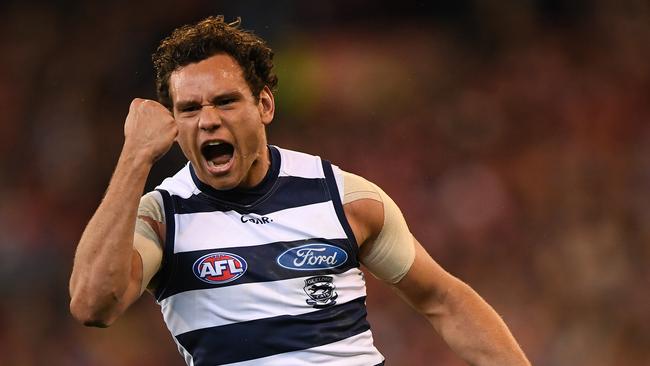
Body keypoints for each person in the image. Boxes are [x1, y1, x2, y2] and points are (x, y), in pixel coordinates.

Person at [69, 15, 530, 366]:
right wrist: (135, 157)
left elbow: (444, 300)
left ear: (264, 104)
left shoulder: (343, 196)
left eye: (225, 101)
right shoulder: (162, 217)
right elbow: (94, 305)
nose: (208, 119)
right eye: (188, 109)